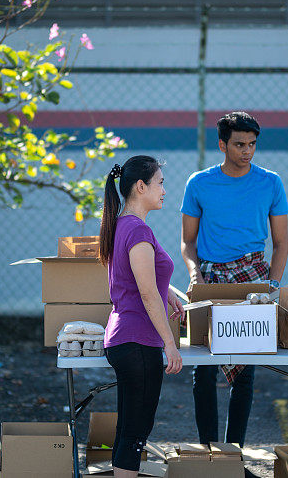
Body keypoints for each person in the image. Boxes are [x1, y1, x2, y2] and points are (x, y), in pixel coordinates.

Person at [180, 111, 288, 447]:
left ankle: (235, 453)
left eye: (252, 144)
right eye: (239, 144)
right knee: (204, 368)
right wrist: (194, 272)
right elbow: (188, 242)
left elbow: (281, 243)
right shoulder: (198, 183)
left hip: (254, 277)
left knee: (247, 369)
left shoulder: (271, 182)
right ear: (222, 145)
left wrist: (271, 285)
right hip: (211, 277)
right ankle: (210, 452)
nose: (247, 150)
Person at [99, 155, 185, 478]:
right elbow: (147, 294)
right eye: (160, 182)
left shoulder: (124, 224)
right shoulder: (137, 230)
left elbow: (140, 280)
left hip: (124, 338)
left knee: (128, 432)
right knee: (135, 436)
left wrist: (169, 291)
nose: (164, 189)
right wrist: (170, 343)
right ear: (140, 186)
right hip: (137, 341)